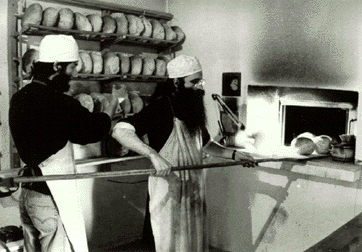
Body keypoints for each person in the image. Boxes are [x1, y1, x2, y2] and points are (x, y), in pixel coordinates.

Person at [111, 55, 257, 252]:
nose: (200, 87)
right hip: (169, 191)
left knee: (194, 243)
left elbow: (206, 145)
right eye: (194, 82)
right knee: (171, 244)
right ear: (177, 83)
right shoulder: (161, 107)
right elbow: (120, 130)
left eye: (200, 80)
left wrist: (234, 155)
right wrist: (153, 155)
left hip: (193, 189)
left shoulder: (192, 110)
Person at [9, 34, 118, 252]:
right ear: (57, 66)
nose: (75, 73)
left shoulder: (19, 97)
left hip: (29, 193)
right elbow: (92, 131)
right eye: (72, 67)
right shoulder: (60, 103)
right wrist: (111, 106)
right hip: (51, 196)